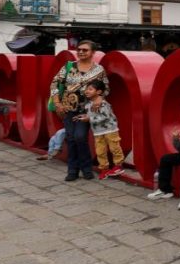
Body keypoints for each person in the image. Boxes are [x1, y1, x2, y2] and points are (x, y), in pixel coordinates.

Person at [49, 41, 108, 181]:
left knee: (80, 137)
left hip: (86, 110)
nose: (81, 52)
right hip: (67, 109)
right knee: (70, 138)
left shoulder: (99, 70)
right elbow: (55, 83)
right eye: (79, 49)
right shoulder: (69, 66)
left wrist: (99, 99)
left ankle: (86, 168)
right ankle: (72, 170)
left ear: (93, 52)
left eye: (85, 50)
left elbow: (105, 88)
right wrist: (57, 103)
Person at [77, 79, 125, 179]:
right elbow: (91, 115)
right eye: (86, 89)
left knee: (114, 148)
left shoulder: (103, 104)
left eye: (90, 89)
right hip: (97, 132)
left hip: (110, 130)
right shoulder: (89, 104)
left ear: (99, 92)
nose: (87, 91)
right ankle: (104, 169)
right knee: (100, 151)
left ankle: (118, 166)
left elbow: (105, 116)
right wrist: (83, 116)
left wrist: (89, 119)